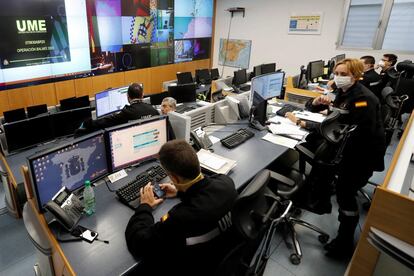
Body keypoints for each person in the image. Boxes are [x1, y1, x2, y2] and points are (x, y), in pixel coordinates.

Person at [286, 58, 386, 258]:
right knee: (342, 189)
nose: (338, 78)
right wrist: (315, 102)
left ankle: (344, 243)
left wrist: (302, 123)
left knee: (346, 196)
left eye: (343, 75)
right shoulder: (344, 92)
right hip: (348, 147)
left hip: (360, 155)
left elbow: (338, 128)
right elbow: (330, 113)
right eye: (336, 74)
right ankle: (321, 196)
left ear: (356, 76)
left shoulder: (363, 100)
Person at [125, 140, 238, 275]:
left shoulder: (180, 217)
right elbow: (205, 189)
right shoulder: (226, 183)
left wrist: (145, 206)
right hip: (224, 256)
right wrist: (180, 191)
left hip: (196, 266)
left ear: (174, 178)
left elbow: (140, 243)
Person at [83, 83, 159, 131]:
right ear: (142, 95)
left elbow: (107, 121)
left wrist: (88, 123)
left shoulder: (126, 113)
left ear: (128, 97)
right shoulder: (153, 110)